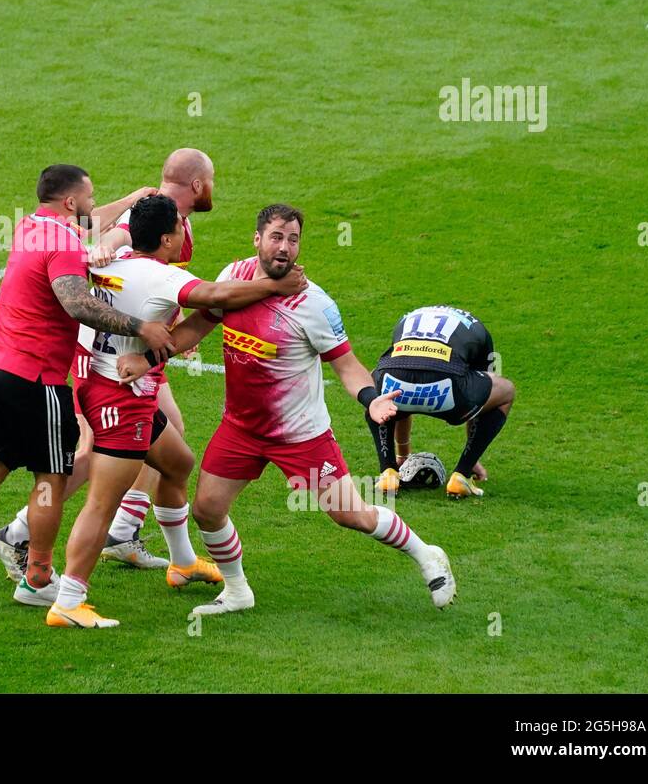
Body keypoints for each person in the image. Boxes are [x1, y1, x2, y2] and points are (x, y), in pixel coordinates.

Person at [119, 204, 457, 616]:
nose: (284, 248)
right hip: (241, 428)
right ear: (257, 239)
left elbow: (347, 366)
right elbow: (197, 325)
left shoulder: (313, 305)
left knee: (352, 516)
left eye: (293, 240)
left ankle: (428, 554)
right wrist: (148, 359)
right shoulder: (234, 278)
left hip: (300, 435)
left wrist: (372, 400)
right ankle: (239, 591)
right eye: (276, 237)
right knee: (207, 509)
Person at [0, 166, 175, 612]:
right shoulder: (64, 243)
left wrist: (128, 200)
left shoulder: (32, 227)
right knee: (53, 477)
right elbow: (75, 302)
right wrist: (141, 326)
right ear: (70, 202)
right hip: (34, 378)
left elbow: (87, 222)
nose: (91, 204)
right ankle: (38, 578)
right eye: (89, 196)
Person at [48, 195, 308, 629]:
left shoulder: (110, 261)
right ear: (168, 238)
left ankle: (182, 562)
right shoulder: (158, 276)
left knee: (178, 464)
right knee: (101, 502)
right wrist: (273, 286)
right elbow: (213, 295)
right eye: (179, 232)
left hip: (108, 382)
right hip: (121, 399)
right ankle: (68, 600)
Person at [0, 148, 216, 575]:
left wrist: (176, 317)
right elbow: (109, 244)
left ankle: (126, 532)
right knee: (94, 452)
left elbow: (150, 277)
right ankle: (19, 534)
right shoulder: (145, 216)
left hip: (134, 353)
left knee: (171, 447)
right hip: (107, 355)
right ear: (199, 186)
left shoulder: (172, 219)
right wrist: (100, 252)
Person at [367, 306, 515, 499]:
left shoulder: (406, 319)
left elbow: (409, 371)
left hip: (394, 382)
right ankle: (462, 474)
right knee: (505, 390)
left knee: (381, 392)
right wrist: (472, 460)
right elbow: (481, 399)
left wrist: (403, 455)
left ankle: (388, 471)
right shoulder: (478, 328)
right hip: (448, 390)